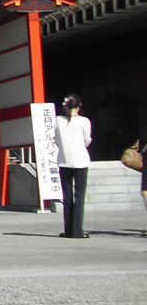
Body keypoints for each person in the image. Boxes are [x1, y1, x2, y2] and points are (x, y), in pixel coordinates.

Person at [55, 93, 93, 239]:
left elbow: (56, 139)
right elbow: (87, 140)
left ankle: (68, 229)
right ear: (78, 106)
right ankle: (77, 230)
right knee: (79, 194)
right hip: (81, 160)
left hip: (64, 160)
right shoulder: (84, 121)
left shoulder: (58, 121)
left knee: (67, 196)